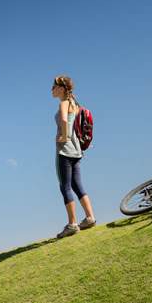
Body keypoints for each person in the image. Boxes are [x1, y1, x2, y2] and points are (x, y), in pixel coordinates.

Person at [51, 75, 96, 238]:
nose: (52, 90)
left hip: (65, 150)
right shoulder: (75, 104)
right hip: (77, 151)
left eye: (54, 87)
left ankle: (72, 224)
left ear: (61, 89)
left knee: (65, 186)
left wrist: (63, 136)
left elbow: (64, 119)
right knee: (77, 185)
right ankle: (90, 217)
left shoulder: (64, 103)